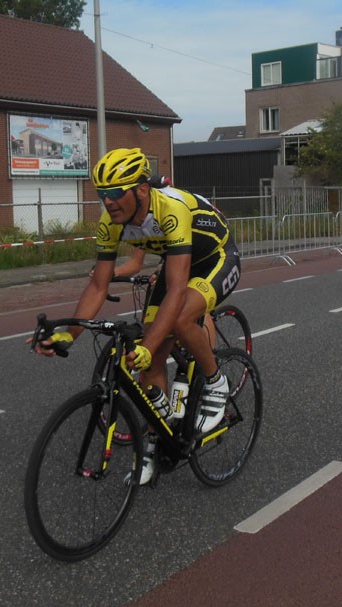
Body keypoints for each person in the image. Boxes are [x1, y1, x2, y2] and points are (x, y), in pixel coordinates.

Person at [35, 147, 241, 484]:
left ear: (141, 190)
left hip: (216, 257)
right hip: (178, 263)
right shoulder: (110, 221)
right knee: (152, 360)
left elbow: (176, 290)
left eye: (115, 193)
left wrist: (148, 343)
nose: (108, 201)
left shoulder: (170, 209)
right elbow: (99, 286)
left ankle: (216, 381)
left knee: (178, 320)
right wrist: (66, 335)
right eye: (102, 194)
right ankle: (154, 442)